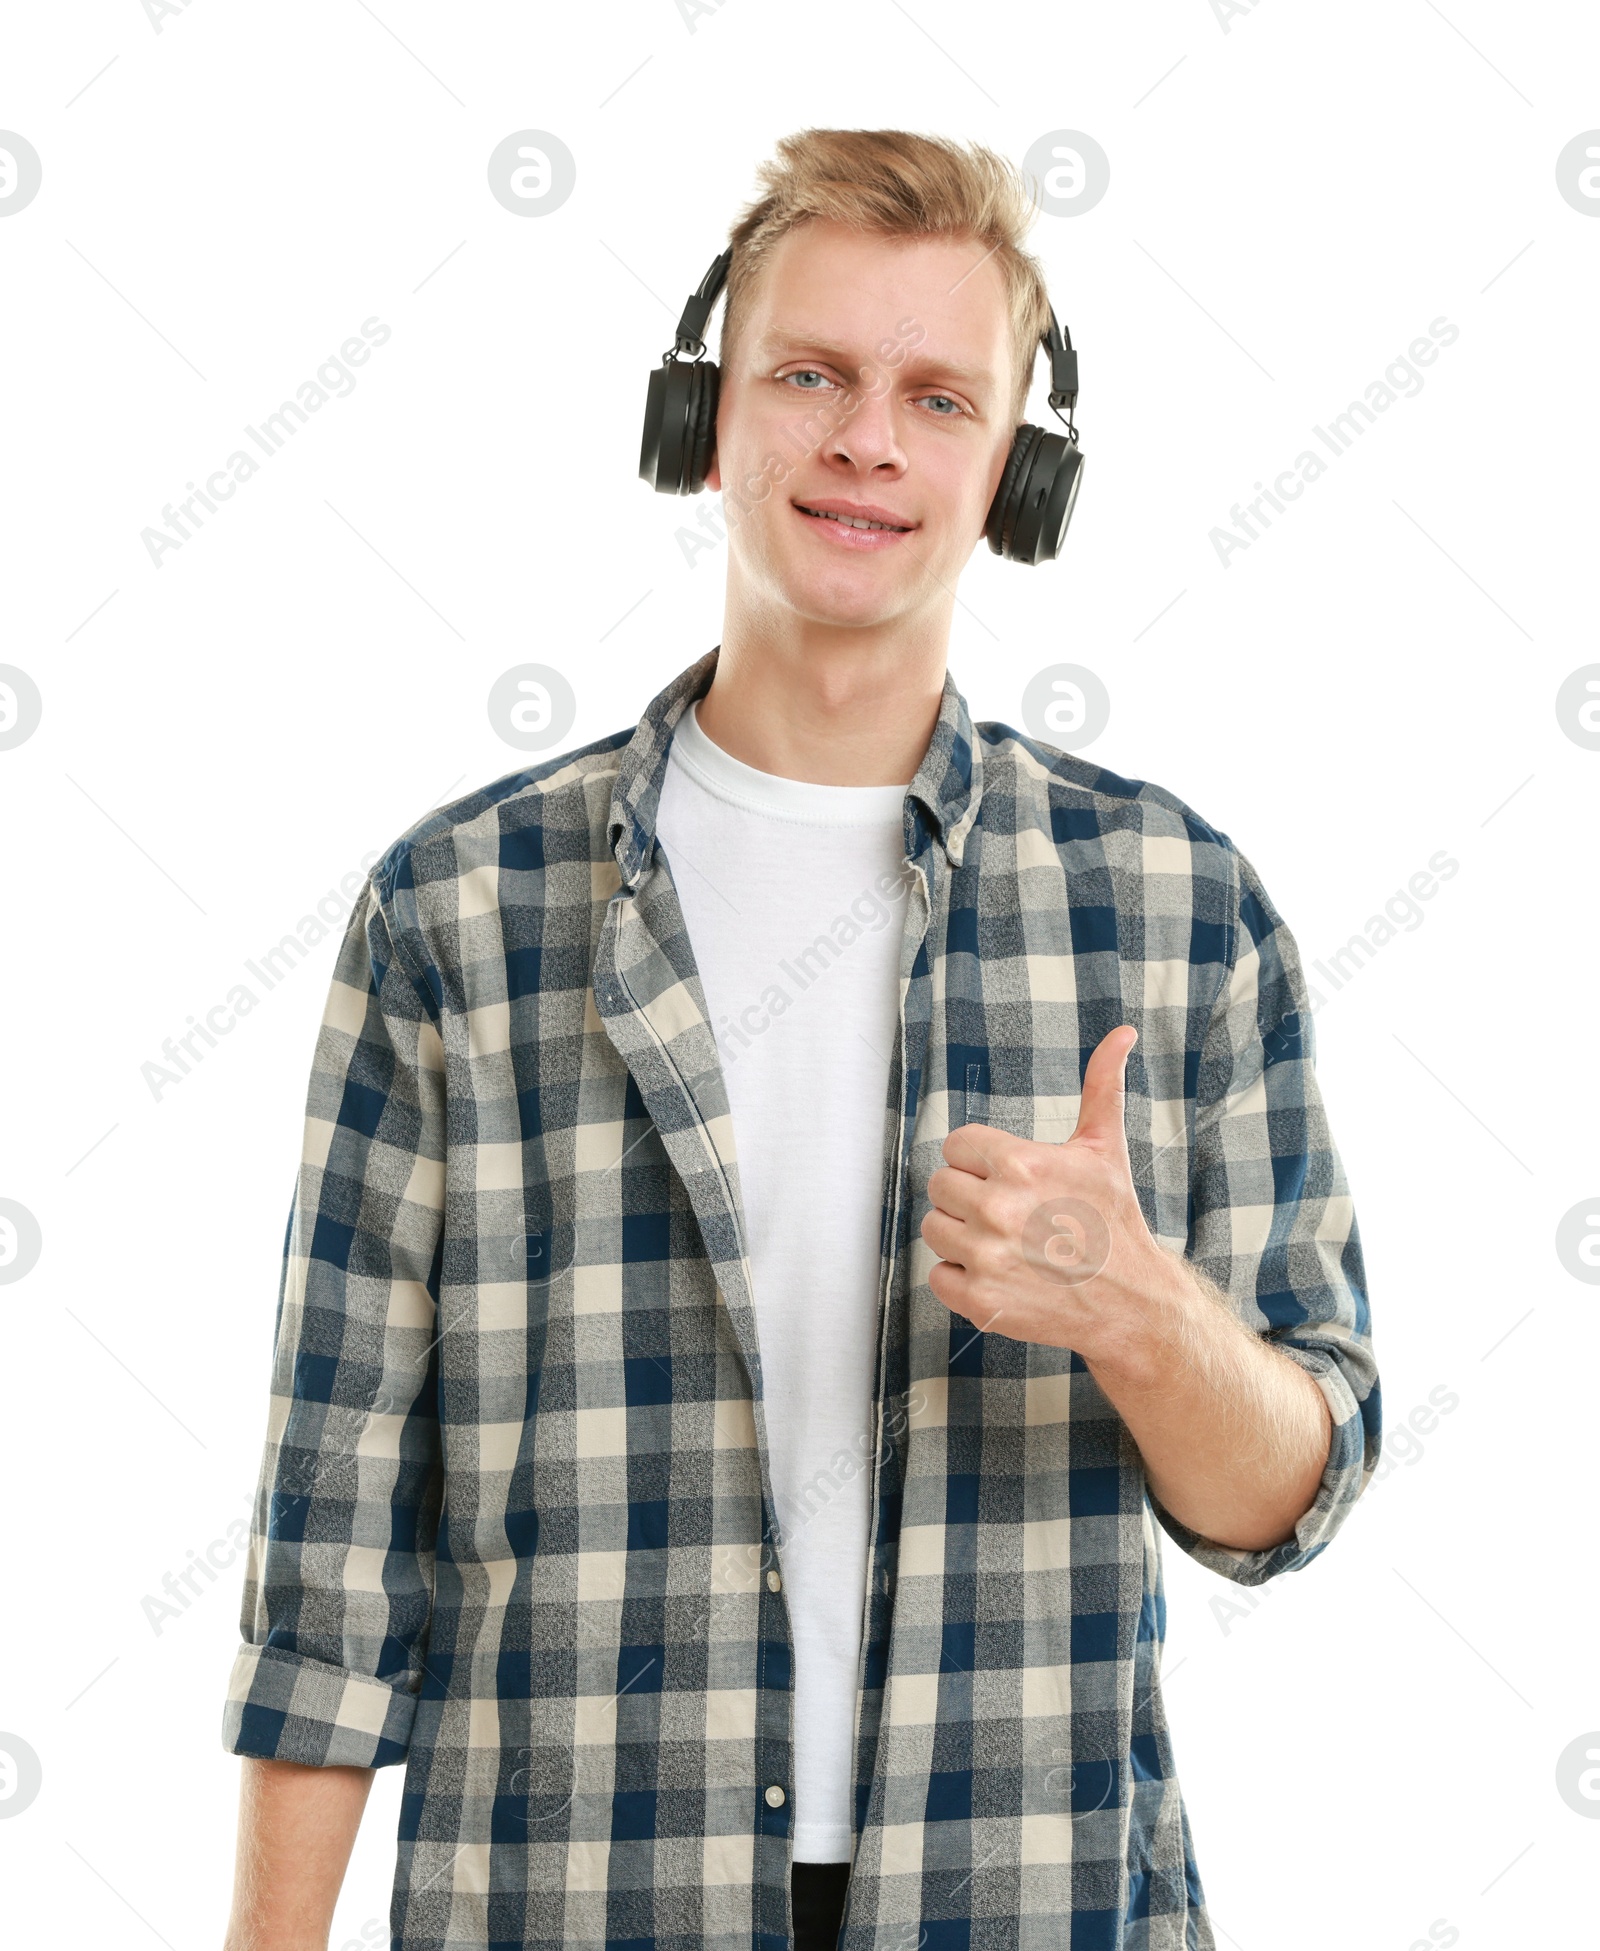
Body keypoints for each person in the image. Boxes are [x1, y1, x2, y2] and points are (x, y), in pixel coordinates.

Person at [221, 127, 1380, 1951]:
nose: (867, 441)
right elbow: (332, 1535)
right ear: (708, 415)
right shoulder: (453, 913)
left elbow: (1289, 1502)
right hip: (580, 1897)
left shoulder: (1177, 910)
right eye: (813, 375)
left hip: (1024, 1901)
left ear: (1017, 465)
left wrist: (1140, 1313)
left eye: (938, 396)